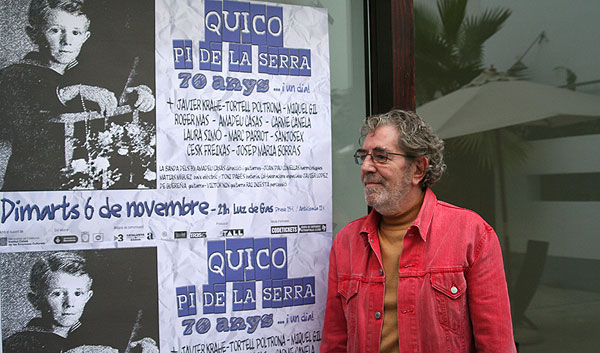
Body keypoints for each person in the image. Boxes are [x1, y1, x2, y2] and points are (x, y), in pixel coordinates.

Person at [321, 110, 516, 352]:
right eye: (364, 157)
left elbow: (496, 344)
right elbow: (335, 341)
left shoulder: (472, 234)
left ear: (418, 170)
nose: (367, 167)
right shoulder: (347, 242)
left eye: (381, 157)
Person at [0, 0, 154, 191]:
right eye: (55, 30)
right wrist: (72, 91)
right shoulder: (15, 75)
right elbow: (24, 103)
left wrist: (138, 94)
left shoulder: (84, 75)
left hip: (84, 182)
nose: (67, 41)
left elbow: (111, 100)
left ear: (85, 37)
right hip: (35, 186)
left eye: (75, 33)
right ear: (33, 34)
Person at [2, 251, 158, 353]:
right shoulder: (19, 344)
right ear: (35, 300)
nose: (70, 303)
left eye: (78, 293)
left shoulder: (88, 336)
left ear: (87, 297)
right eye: (57, 294)